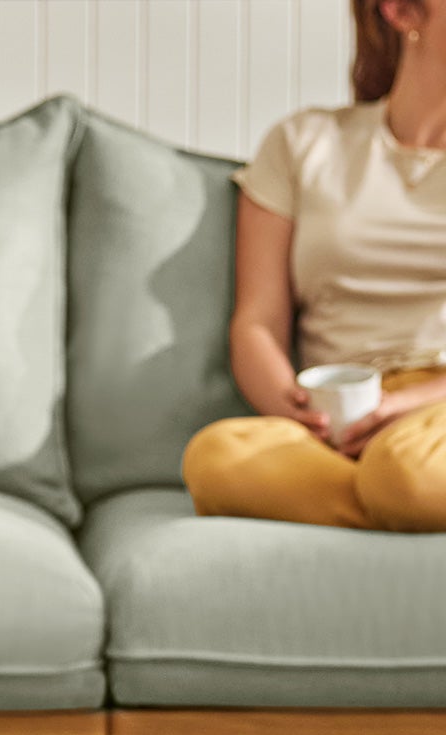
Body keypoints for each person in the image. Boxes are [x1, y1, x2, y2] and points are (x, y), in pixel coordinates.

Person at [184, 0, 446, 531]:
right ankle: (391, 502)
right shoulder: (303, 143)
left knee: (409, 472)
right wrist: (298, 411)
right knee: (215, 455)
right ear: (403, 12)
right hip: (339, 413)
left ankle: (397, 492)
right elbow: (257, 321)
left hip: (438, 407)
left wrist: (421, 400)